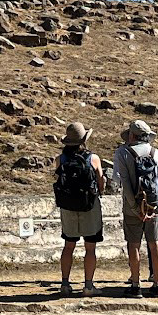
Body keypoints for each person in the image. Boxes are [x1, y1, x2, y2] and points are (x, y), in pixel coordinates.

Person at [112, 120, 158, 298]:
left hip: (133, 208)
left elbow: (124, 182)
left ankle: (135, 284)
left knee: (134, 245)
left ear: (131, 135)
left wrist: (135, 207)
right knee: (155, 244)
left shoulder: (123, 153)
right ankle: (157, 284)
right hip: (154, 207)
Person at [51, 122, 107, 295]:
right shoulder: (93, 159)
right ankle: (88, 285)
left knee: (68, 246)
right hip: (89, 205)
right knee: (90, 248)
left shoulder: (60, 160)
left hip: (68, 206)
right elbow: (100, 182)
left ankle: (65, 284)